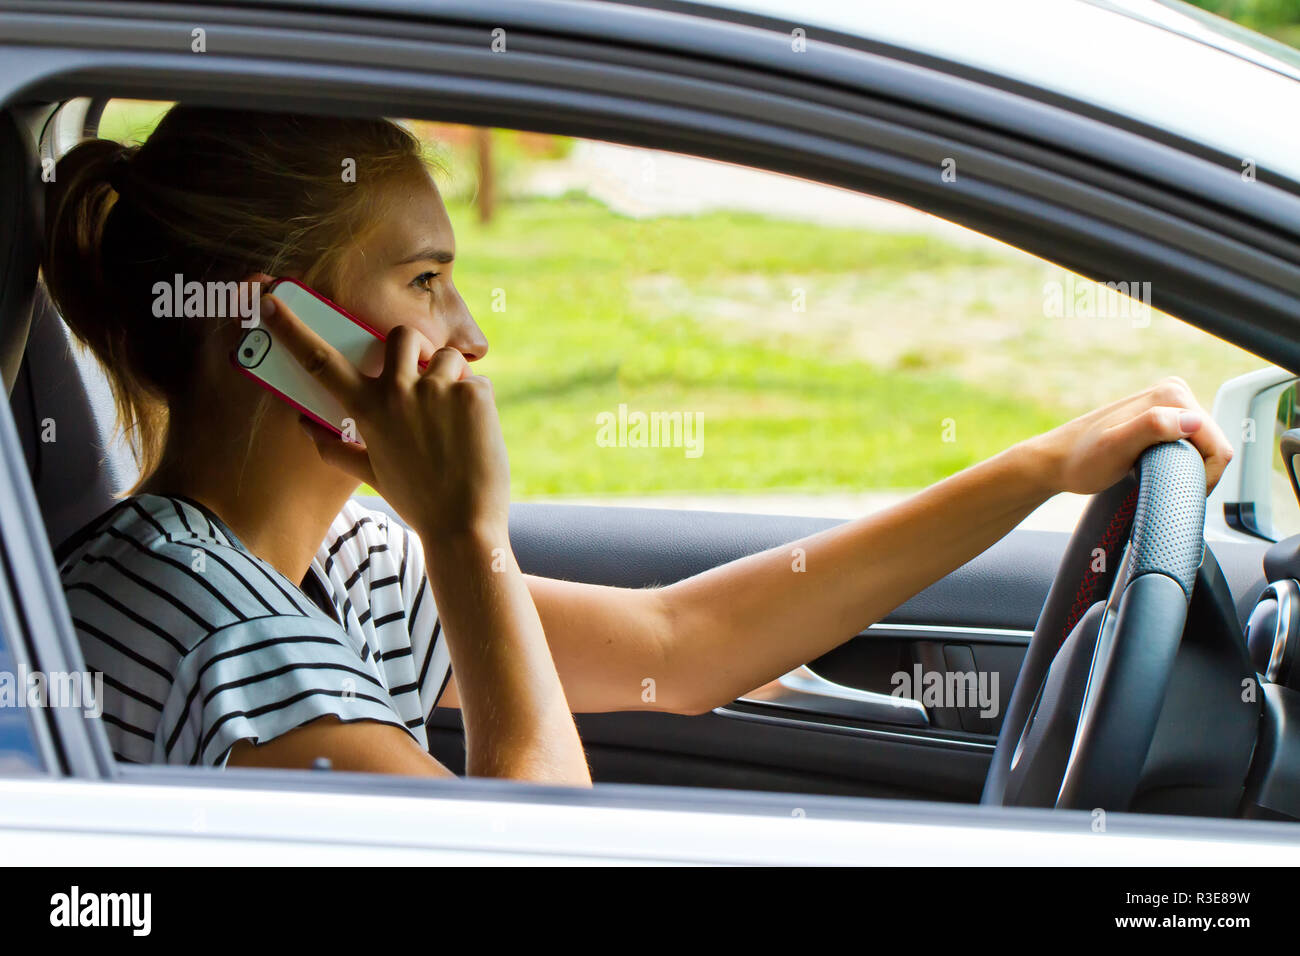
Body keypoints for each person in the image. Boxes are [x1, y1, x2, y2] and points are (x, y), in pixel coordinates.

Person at [43, 105, 1233, 784]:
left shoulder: (328, 557)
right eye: (425, 281)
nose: (473, 333)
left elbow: (682, 645)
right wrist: (464, 534)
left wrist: (1043, 463)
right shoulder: (239, 652)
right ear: (286, 331)